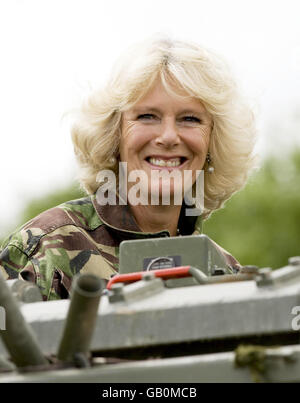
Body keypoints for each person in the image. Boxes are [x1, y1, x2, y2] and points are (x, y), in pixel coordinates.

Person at [0, 36, 257, 300]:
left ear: (213, 143)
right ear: (115, 136)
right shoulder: (45, 249)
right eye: (147, 116)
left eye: (190, 119)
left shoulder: (228, 274)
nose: (168, 136)